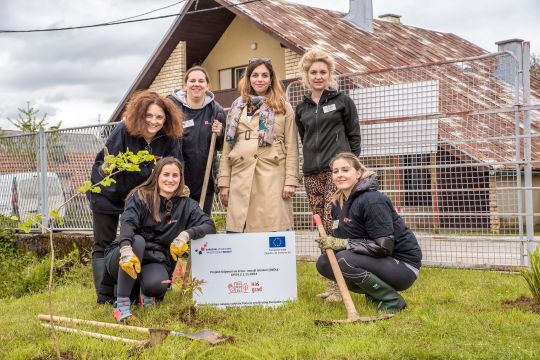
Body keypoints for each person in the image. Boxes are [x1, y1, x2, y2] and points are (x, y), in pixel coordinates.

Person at [88, 90, 184, 304]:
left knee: (137, 241)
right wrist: (124, 193)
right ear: (140, 115)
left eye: (159, 117)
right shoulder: (123, 131)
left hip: (141, 201)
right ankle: (103, 297)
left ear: (166, 118)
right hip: (108, 194)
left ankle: (135, 290)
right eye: (149, 116)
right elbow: (107, 168)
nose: (154, 121)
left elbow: (174, 167)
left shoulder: (169, 138)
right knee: (103, 243)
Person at [102, 157, 216, 322]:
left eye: (175, 175)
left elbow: (209, 225)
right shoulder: (140, 196)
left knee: (157, 285)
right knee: (138, 241)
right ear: (157, 176)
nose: (170, 179)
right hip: (124, 256)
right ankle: (121, 305)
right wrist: (126, 248)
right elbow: (128, 223)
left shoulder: (187, 204)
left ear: (180, 178)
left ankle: (145, 294)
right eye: (166, 174)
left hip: (153, 259)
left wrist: (186, 234)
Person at [315, 153, 422, 313]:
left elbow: (384, 247)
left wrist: (344, 244)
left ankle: (392, 300)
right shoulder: (338, 204)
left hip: (402, 266)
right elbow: (348, 239)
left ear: (358, 173)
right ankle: (374, 293)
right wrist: (331, 243)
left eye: (345, 170)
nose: (340, 175)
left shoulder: (372, 200)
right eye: (335, 171)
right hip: (378, 261)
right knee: (324, 262)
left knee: (345, 259)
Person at [295, 48, 361, 302]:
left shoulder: (343, 101)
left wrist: (352, 169)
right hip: (312, 173)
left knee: (334, 224)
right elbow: (305, 138)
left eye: (323, 72)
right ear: (306, 75)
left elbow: (354, 136)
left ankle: (338, 284)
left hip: (338, 173)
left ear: (330, 74)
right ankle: (331, 281)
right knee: (322, 227)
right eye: (314, 72)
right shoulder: (301, 108)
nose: (318, 76)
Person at [218, 58, 299, 232]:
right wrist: (224, 182)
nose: (259, 79)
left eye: (264, 75)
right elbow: (227, 147)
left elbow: (292, 146)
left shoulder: (283, 106)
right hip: (240, 173)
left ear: (271, 79)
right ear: (248, 78)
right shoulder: (236, 106)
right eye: (255, 75)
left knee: (270, 233)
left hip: (272, 174)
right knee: (240, 232)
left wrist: (290, 180)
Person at [170, 66, 226, 214]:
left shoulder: (216, 110)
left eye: (201, 81)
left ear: (207, 85)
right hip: (178, 178)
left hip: (205, 179)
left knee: (201, 222)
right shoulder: (173, 108)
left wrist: (220, 133)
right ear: (185, 84)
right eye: (192, 80)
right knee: (178, 221)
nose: (196, 84)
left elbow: (220, 146)